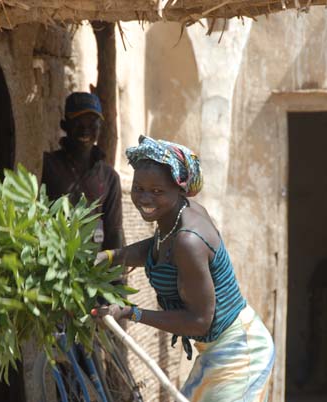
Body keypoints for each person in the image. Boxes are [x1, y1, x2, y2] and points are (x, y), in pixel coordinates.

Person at [92, 135, 275, 402]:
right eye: (139, 188)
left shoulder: (189, 240)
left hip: (240, 353)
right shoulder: (174, 218)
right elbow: (157, 248)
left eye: (157, 192)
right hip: (217, 349)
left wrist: (132, 313)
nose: (145, 198)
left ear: (179, 189)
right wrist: (109, 256)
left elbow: (200, 321)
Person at [42, 92, 124, 251]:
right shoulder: (48, 166)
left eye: (92, 123)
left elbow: (114, 232)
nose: (85, 130)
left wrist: (116, 274)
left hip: (92, 269)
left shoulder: (108, 177)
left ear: (100, 127)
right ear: (64, 125)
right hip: (52, 263)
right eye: (78, 122)